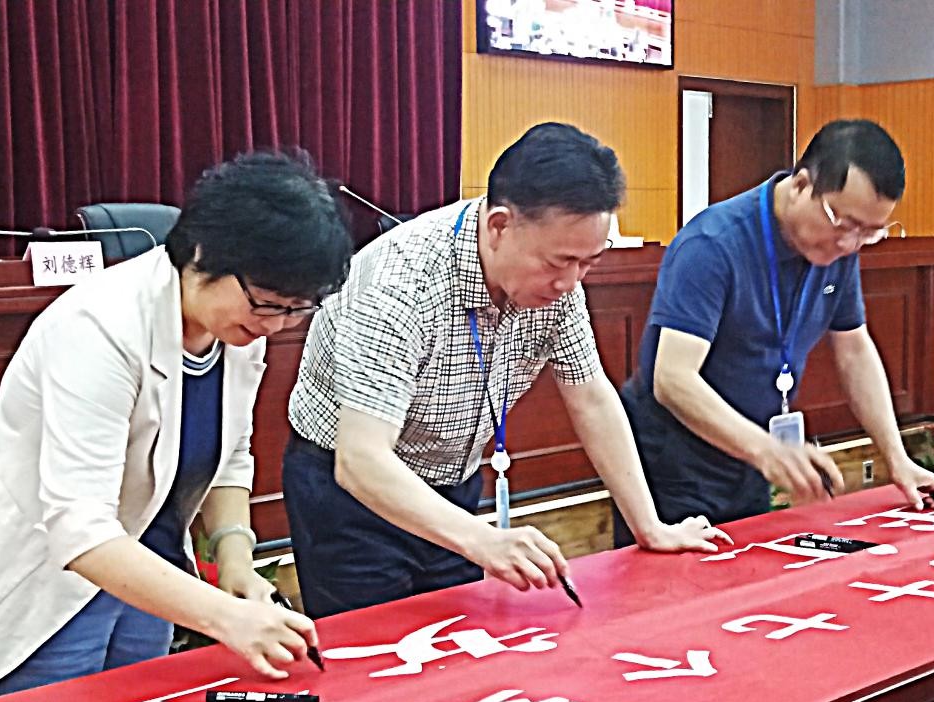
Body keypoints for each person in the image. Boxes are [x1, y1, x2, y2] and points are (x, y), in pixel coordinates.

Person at [0, 150, 354, 698]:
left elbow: (231, 454)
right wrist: (226, 618)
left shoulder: (237, 327)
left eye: (296, 310)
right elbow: (80, 528)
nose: (276, 326)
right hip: (42, 579)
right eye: (268, 304)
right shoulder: (99, 327)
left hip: (147, 567)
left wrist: (235, 559)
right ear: (204, 253)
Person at [284, 122, 730, 619]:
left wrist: (650, 526)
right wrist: (484, 541)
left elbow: (590, 396)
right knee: (377, 652)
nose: (569, 282)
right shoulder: (399, 283)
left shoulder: (556, 285)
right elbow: (361, 461)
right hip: (352, 499)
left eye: (588, 263)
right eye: (559, 262)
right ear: (499, 226)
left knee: (455, 643)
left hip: (452, 483)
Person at [615, 119, 934, 545]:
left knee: (749, 574)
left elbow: (854, 350)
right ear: (801, 185)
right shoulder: (712, 244)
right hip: (673, 460)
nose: (850, 244)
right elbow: (672, 379)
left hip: (749, 451)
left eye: (870, 233)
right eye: (844, 223)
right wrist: (767, 451)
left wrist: (897, 459)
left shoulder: (837, 251)